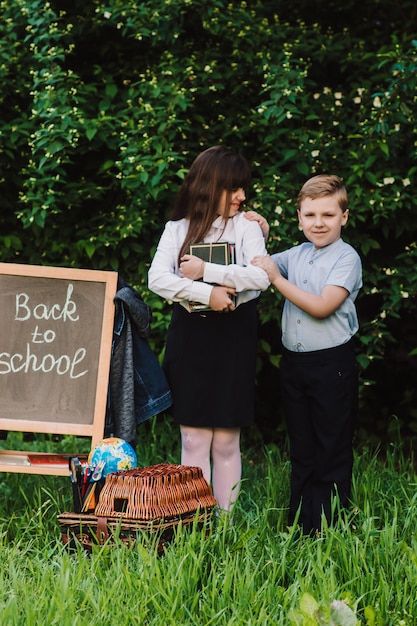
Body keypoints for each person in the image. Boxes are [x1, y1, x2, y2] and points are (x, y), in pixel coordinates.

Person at [148, 145, 269, 514]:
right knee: (194, 437)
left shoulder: (247, 226)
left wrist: (208, 273)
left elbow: (262, 276)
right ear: (208, 186)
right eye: (233, 188)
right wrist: (205, 294)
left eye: (243, 188)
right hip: (192, 336)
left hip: (235, 336)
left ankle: (225, 527)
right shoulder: (177, 229)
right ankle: (195, 523)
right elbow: (157, 279)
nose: (242, 196)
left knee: (227, 440)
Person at [252, 174, 362, 535]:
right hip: (295, 364)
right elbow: (262, 263)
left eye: (328, 215)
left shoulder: (346, 258)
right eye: (310, 214)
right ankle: (301, 526)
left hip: (333, 365)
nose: (318, 223)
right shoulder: (296, 254)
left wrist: (276, 279)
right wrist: (261, 235)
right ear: (298, 217)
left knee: (331, 445)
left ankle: (330, 526)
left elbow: (321, 306)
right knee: (302, 447)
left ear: (343, 217)